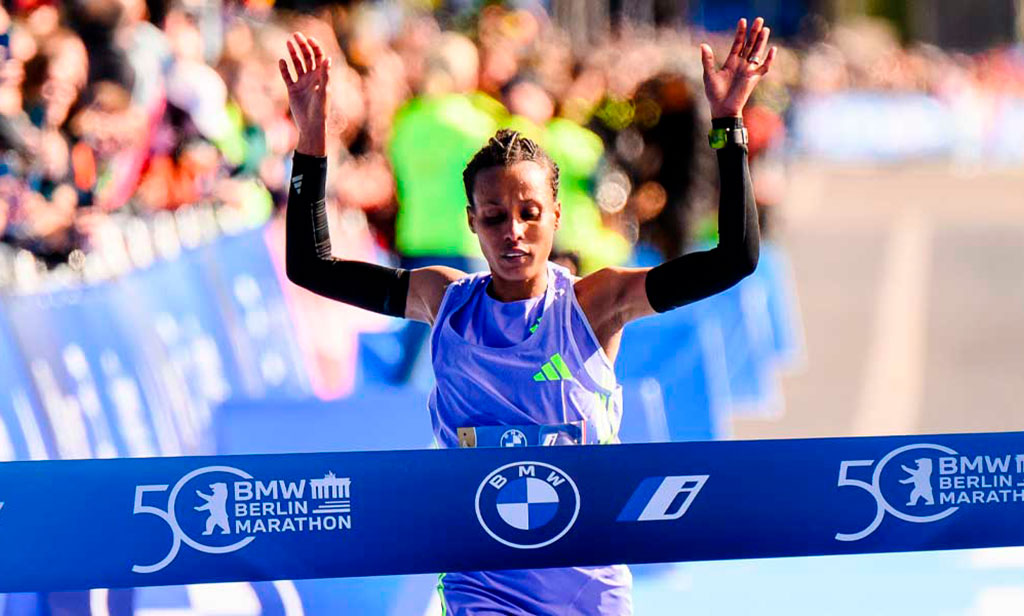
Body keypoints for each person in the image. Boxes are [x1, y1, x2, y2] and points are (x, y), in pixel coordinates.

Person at [281, 17, 775, 616]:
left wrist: (729, 125)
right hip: (479, 578)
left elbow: (735, 259)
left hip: (585, 581)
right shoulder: (445, 302)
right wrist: (311, 140)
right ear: (471, 223)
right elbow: (313, 267)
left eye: (529, 212)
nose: (512, 232)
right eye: (493, 217)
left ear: (558, 216)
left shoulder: (597, 304)